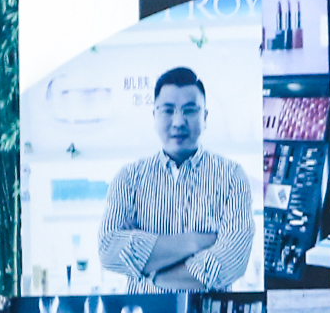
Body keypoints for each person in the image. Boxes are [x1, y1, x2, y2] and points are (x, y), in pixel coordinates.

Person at [95, 67, 256, 293]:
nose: (178, 122)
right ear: (154, 115)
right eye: (168, 110)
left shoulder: (232, 176)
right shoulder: (129, 178)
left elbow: (231, 262)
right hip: (143, 311)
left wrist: (148, 269)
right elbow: (109, 250)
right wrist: (197, 242)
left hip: (208, 311)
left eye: (189, 110)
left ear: (205, 117)